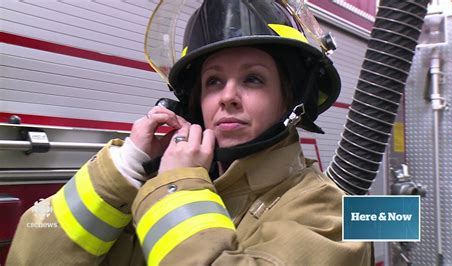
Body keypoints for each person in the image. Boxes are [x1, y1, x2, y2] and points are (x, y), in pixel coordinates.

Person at [7, 0, 372, 265]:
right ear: (194, 103)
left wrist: (177, 185)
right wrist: (123, 167)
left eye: (253, 79)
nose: (227, 96)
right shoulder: (147, 189)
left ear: (291, 99)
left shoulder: (332, 214)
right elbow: (30, 259)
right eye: (214, 81)